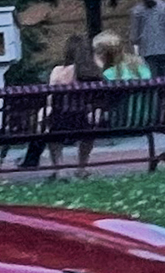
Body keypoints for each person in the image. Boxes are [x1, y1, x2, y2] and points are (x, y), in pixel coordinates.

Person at [16, 32, 106, 170]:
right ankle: (81, 168)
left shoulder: (58, 71)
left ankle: (59, 169)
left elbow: (50, 100)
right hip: (85, 122)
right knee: (88, 134)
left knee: (51, 130)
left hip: (60, 121)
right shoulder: (93, 72)